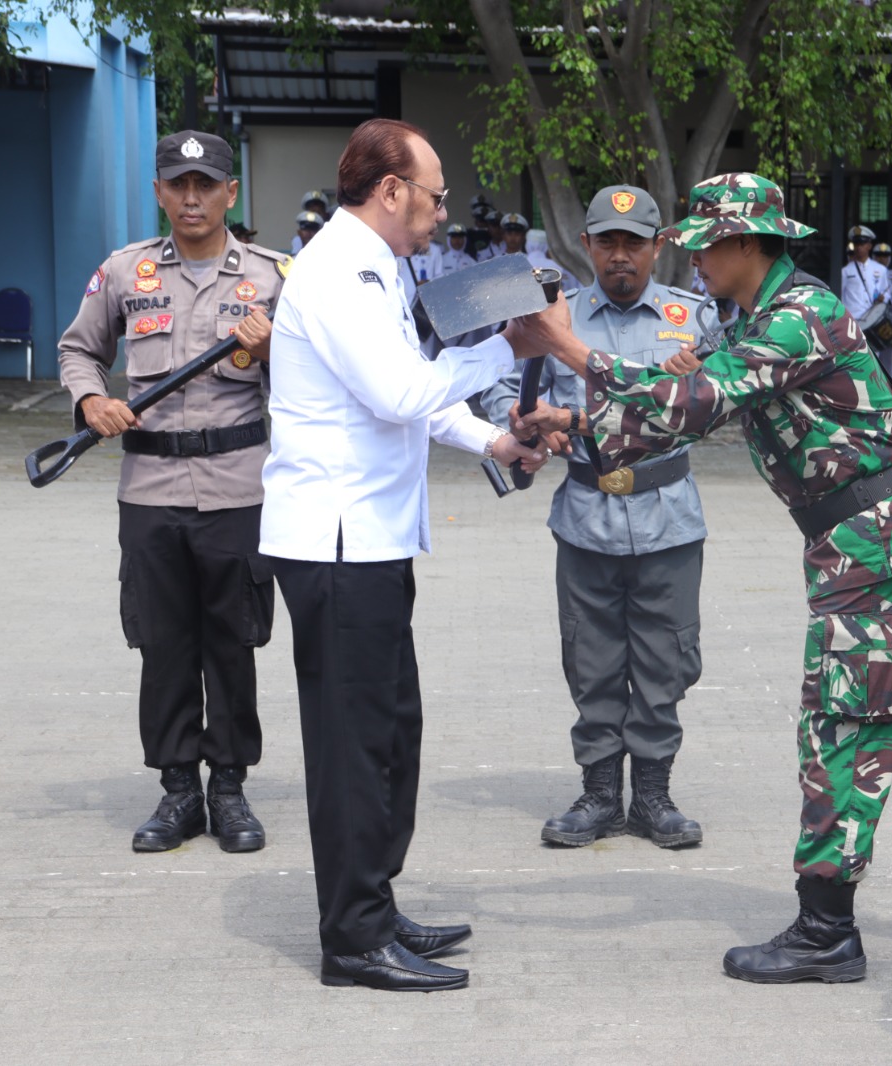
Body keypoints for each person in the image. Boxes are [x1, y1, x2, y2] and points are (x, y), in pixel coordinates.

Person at [506, 171, 892, 985]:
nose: (693, 262)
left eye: (704, 247)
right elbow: (681, 400)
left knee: (844, 721)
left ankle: (825, 926)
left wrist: (563, 347)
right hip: (879, 535)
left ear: (741, 244)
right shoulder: (762, 317)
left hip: (871, 541)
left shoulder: (799, 318)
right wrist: (570, 419)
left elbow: (694, 401)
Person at [259, 118, 547, 991]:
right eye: (434, 195)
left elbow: (412, 397)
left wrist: (491, 441)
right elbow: (398, 390)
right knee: (354, 746)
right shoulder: (342, 270)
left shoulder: (377, 268)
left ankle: (374, 907)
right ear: (391, 190)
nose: (440, 212)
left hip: (372, 543)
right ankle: (350, 941)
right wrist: (508, 344)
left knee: (390, 737)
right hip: (337, 544)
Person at [57, 130, 285, 854]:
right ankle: (179, 791)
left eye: (206, 184)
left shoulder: (276, 277)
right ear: (159, 191)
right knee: (163, 645)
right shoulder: (125, 273)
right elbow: (77, 349)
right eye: (178, 185)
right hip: (150, 489)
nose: (192, 198)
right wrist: (91, 402)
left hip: (237, 490)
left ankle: (231, 788)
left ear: (230, 193)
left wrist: (278, 348)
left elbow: (314, 383)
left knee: (231, 643)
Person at [482, 185, 709, 849]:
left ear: (657, 247)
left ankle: (654, 796)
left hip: (669, 515)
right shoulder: (555, 317)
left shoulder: (691, 318)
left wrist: (693, 384)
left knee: (667, 660)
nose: (619, 256)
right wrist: (523, 424)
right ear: (585, 246)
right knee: (592, 657)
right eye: (606, 242)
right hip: (586, 512)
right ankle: (600, 794)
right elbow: (504, 382)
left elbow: (715, 400)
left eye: (633, 243)